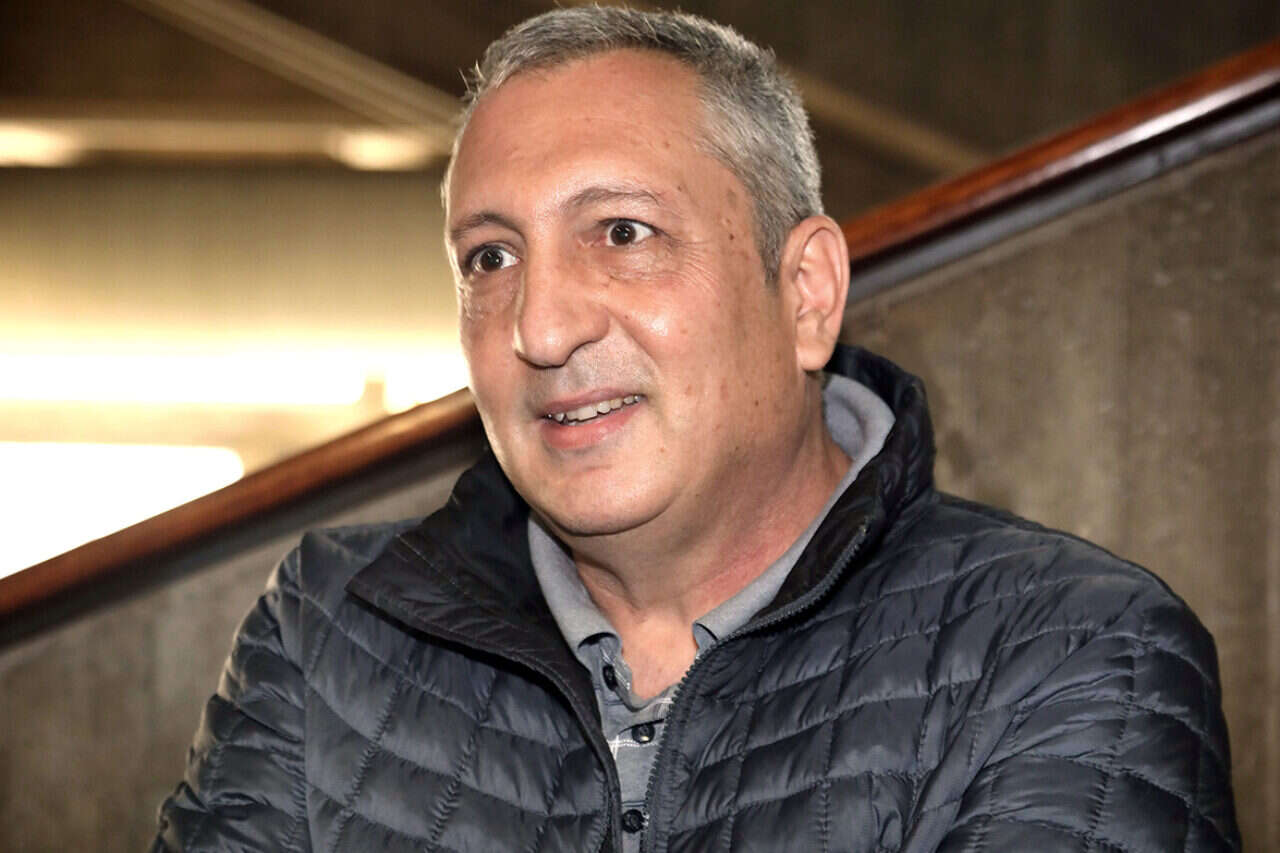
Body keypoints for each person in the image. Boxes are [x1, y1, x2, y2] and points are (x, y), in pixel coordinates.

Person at [154, 7, 1239, 851]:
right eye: (490, 257)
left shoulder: (1072, 648)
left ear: (805, 293)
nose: (540, 326)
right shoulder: (329, 627)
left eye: (622, 233)